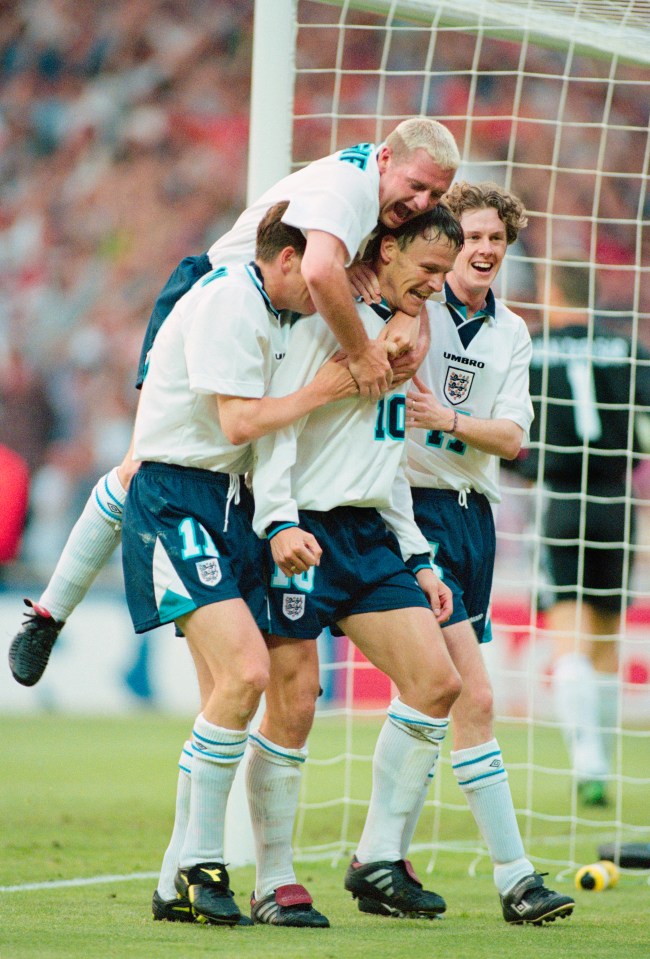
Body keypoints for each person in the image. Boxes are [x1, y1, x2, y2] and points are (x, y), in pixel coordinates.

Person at [9, 116, 460, 689]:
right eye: (417, 186)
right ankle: (50, 613)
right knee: (143, 468)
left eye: (436, 195)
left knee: (235, 469)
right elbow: (320, 269)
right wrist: (364, 356)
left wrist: (401, 309)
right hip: (220, 301)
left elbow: (399, 266)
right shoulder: (350, 190)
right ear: (387, 158)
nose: (423, 202)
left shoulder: (378, 201)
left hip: (275, 321)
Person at [122, 203, 357, 927]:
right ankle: (201, 864)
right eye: (316, 277)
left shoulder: (279, 318)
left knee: (240, 690)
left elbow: (269, 434)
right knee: (247, 674)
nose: (323, 292)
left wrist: (278, 517)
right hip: (177, 496)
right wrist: (329, 388)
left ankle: (174, 880)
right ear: (287, 259)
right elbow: (239, 423)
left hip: (231, 506)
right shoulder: (229, 299)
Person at [249, 204, 464, 923]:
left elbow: (389, 451)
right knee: (296, 700)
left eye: (443, 273)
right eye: (428, 268)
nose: (436, 284)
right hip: (302, 527)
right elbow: (277, 427)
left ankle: (377, 857)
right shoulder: (325, 321)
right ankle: (273, 878)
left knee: (436, 682)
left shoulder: (405, 340)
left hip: (370, 532)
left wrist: (420, 557)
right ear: (390, 250)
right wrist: (276, 519)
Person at [401, 182, 575, 925]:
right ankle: (515, 876)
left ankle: (378, 857)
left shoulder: (514, 331)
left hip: (476, 517)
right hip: (414, 506)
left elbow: (513, 439)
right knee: (471, 695)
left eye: (496, 241)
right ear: (452, 239)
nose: (483, 250)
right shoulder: (417, 305)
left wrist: (448, 417)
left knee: (430, 695)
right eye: (473, 235)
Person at [517, 256, 650, 807]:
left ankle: (588, 761)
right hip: (618, 500)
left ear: (552, 291)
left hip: (563, 500)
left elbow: (514, 435)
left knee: (567, 631)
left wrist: (519, 468)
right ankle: (601, 764)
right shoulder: (628, 349)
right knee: (604, 639)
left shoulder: (531, 352)